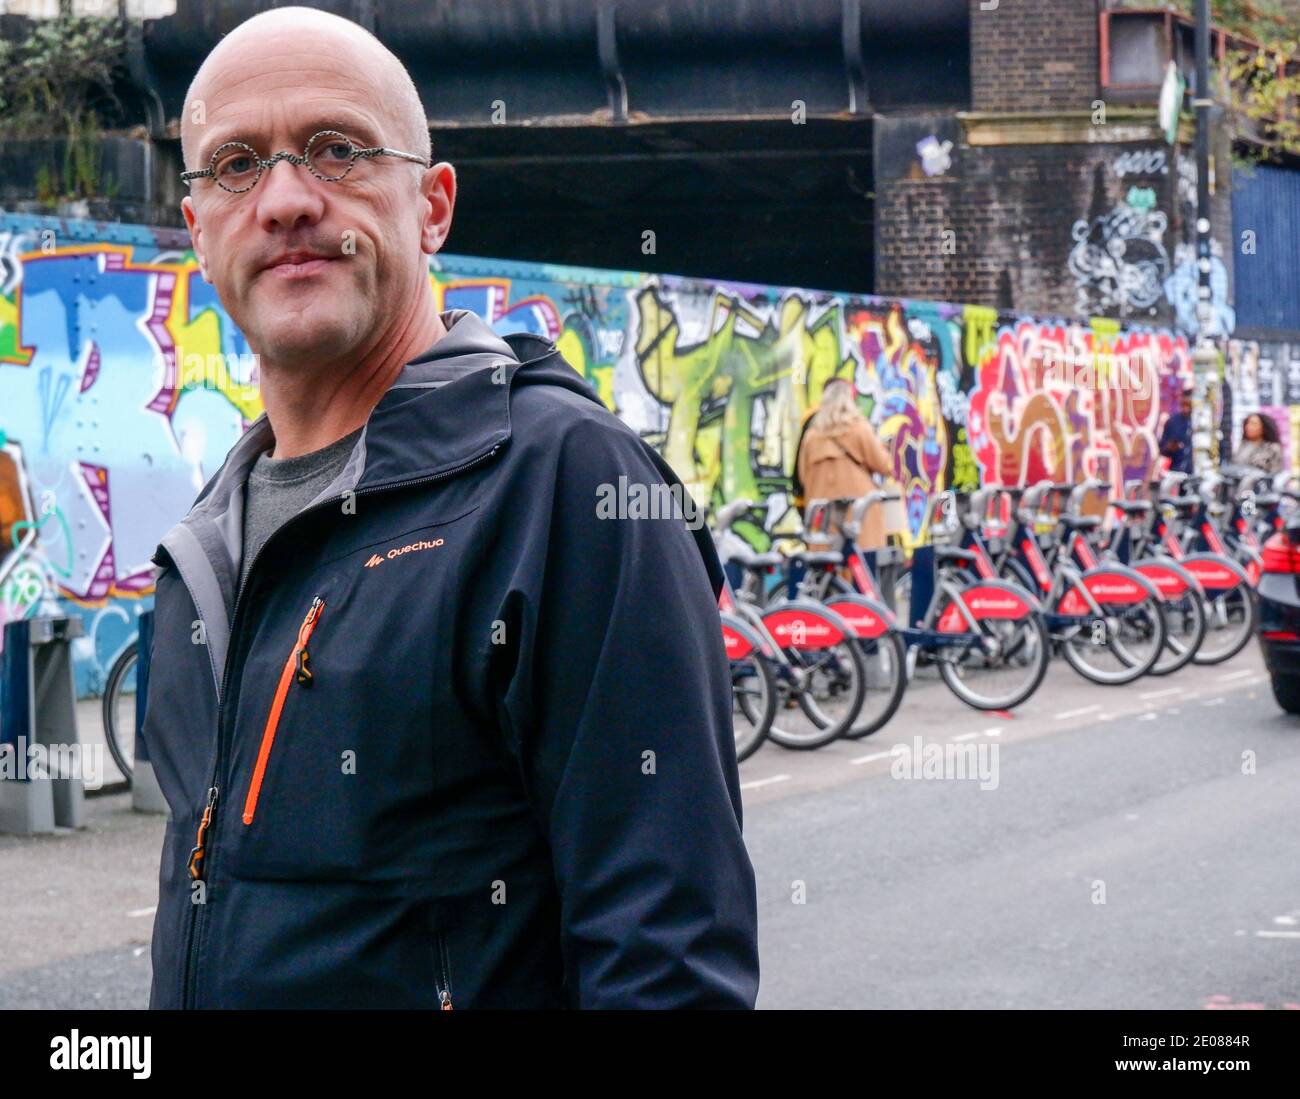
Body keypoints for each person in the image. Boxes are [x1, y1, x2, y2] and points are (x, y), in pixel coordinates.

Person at [144, 7, 758, 1010]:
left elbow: (667, 965)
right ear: (198, 224)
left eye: (335, 151)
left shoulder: (566, 487)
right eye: (237, 164)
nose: (287, 199)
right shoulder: (205, 549)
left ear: (432, 207)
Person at [795, 378, 894, 549]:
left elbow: (803, 477)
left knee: (827, 568)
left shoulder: (811, 437)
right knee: (859, 564)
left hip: (824, 518)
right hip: (858, 517)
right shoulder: (859, 429)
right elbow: (885, 465)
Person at [1159, 387, 1195, 475]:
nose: (1186, 409)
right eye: (1183, 405)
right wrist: (1170, 447)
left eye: (1189, 405)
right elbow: (1162, 449)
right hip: (1177, 473)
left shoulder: (1199, 422)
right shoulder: (1172, 422)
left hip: (1197, 474)